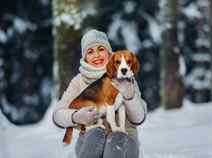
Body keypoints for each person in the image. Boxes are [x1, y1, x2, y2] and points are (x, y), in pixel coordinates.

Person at [52, 29, 147, 158]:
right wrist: (75, 117)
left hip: (123, 141)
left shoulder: (126, 77)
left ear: (109, 52)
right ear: (85, 57)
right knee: (95, 134)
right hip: (90, 140)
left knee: (116, 138)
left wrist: (129, 97)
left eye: (101, 49)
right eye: (90, 52)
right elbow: (58, 115)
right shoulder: (79, 81)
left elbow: (139, 118)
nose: (96, 55)